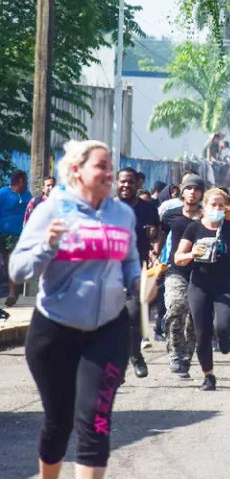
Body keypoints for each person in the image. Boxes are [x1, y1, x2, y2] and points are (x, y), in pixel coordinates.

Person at [9, 140, 140, 478]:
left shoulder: (122, 214)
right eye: (102, 166)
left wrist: (140, 282)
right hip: (55, 330)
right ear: (77, 170)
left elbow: (129, 261)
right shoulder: (52, 210)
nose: (110, 173)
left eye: (111, 166)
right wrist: (47, 245)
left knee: (96, 419)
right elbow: (18, 270)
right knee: (58, 422)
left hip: (109, 329)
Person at [175, 188, 230, 390]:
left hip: (226, 286)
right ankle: (209, 376)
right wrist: (191, 254)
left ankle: (224, 337)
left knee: (223, 326)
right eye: (212, 205)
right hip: (199, 286)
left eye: (220, 206)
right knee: (202, 333)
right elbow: (178, 258)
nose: (216, 208)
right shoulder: (193, 229)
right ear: (204, 207)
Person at [159, 173, 205, 378]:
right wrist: (154, 254)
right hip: (176, 270)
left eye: (196, 189)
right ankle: (175, 355)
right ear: (181, 190)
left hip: (202, 272)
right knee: (177, 307)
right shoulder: (170, 215)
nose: (192, 192)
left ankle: (186, 357)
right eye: (189, 188)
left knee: (195, 317)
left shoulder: (208, 217)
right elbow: (159, 236)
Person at [116, 167, 160, 379]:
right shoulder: (108, 208)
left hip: (136, 271)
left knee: (134, 316)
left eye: (130, 182)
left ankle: (136, 356)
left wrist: (154, 238)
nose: (126, 185)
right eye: (122, 181)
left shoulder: (148, 208)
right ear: (116, 183)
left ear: (137, 185)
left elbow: (157, 233)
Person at [0, 170, 32, 306]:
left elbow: (31, 211)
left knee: (12, 262)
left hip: (18, 235)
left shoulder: (27, 195)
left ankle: (12, 293)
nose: (27, 183)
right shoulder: (3, 194)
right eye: (25, 180)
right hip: (2, 233)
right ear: (20, 181)